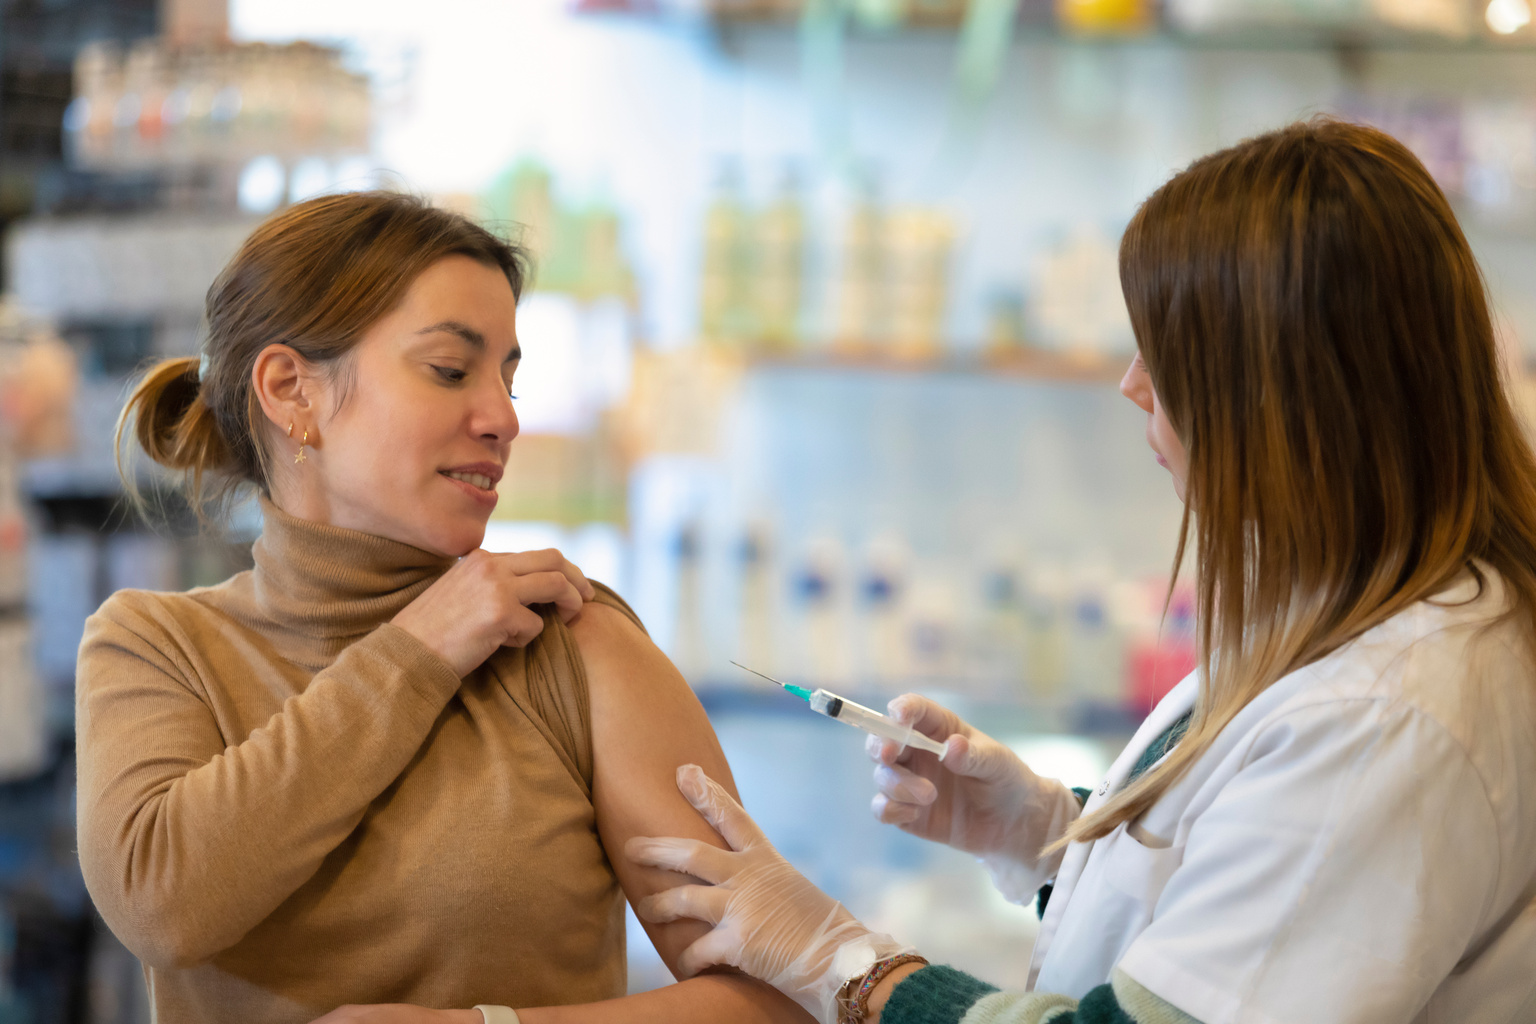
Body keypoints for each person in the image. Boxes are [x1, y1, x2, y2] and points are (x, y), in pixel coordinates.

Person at [626, 118, 1536, 1024]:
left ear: (1286, 390)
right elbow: (1257, 897)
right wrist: (1050, 831)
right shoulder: (1386, 619)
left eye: (1173, 354)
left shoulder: (1385, 713)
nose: (1135, 384)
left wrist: (845, 963)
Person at [78, 192, 808, 1024]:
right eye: (451, 371)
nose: (501, 417)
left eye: (509, 376)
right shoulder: (159, 646)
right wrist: (413, 652)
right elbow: (163, 904)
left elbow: (773, 998)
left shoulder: (568, 639)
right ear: (291, 392)